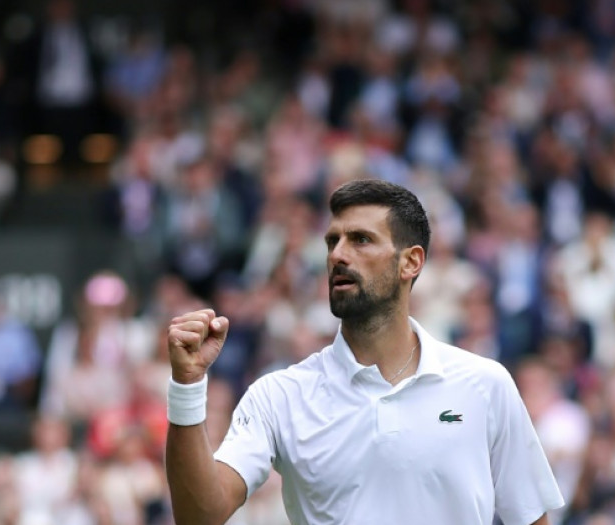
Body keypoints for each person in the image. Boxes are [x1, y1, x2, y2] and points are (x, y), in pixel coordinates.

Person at [164, 179, 564, 524]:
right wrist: (187, 385)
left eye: (360, 240)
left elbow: (531, 520)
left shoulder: (485, 385)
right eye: (332, 241)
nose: (338, 254)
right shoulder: (278, 395)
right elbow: (200, 516)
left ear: (411, 262)